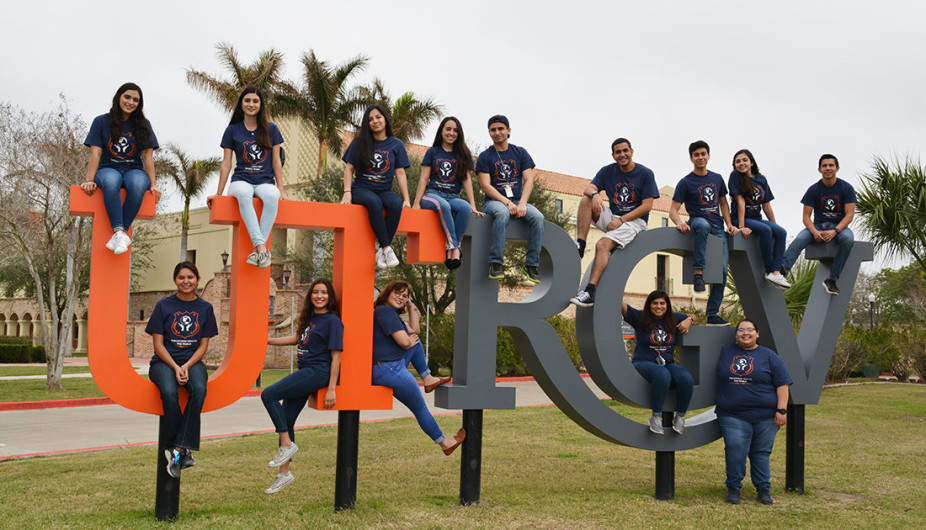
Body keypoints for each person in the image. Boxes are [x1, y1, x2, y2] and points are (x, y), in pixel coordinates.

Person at [260, 278, 343, 494]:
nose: (319, 296)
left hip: (318, 372)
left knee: (268, 395)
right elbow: (297, 339)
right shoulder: (310, 317)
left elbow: (336, 356)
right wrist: (267, 340)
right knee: (286, 421)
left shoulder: (333, 321)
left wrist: (332, 388)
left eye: (324, 292)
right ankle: (284, 474)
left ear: (329, 296)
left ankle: (287, 445)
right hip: (305, 371)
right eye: (315, 292)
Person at [372, 281, 465, 454]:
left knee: (415, 343)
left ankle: (427, 378)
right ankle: (445, 443)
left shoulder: (390, 314)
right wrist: (408, 342)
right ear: (388, 292)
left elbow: (415, 330)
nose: (401, 297)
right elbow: (405, 341)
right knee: (420, 408)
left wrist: (411, 306)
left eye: (405, 296)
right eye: (398, 293)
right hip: (389, 369)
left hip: (390, 366)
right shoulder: (385, 312)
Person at [146, 261, 218, 479]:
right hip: (163, 362)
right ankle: (180, 449)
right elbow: (158, 344)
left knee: (199, 390)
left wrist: (186, 365)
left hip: (192, 362)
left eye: (190, 277)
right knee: (169, 393)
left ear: (197, 279)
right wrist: (175, 366)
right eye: (181, 278)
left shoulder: (205, 308)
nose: (186, 281)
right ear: (175, 280)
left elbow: (203, 345)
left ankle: (177, 449)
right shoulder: (163, 306)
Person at [571, 138, 659, 307]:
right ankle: (580, 244)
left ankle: (590, 291)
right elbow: (588, 189)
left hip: (634, 221)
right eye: (618, 152)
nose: (622, 154)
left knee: (602, 245)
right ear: (613, 155)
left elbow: (647, 206)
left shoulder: (645, 174)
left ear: (632, 152)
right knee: (586, 200)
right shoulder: (607, 171)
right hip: (613, 217)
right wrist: (596, 194)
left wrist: (621, 220)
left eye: (625, 150)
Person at [716, 319, 792, 505]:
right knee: (735, 449)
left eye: (750, 330)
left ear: (757, 333)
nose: (745, 333)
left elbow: (783, 384)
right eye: (741, 330)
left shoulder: (769, 356)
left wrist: (782, 409)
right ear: (736, 334)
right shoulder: (726, 351)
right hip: (733, 415)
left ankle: (763, 489)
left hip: (765, 417)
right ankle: (733, 488)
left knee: (761, 452)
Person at [209, 87, 285, 269]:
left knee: (273, 196)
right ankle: (261, 248)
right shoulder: (232, 130)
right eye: (247, 100)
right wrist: (219, 193)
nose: (251, 104)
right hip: (241, 181)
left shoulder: (272, 129)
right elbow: (226, 163)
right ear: (241, 104)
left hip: (264, 182)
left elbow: (276, 162)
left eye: (255, 101)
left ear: (261, 105)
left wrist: (281, 189)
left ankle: (258, 251)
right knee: (243, 194)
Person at [80, 82, 160, 255]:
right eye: (127, 97)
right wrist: (89, 180)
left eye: (136, 100)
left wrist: (153, 184)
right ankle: (120, 232)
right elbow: (96, 153)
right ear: (118, 97)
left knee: (139, 183)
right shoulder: (101, 121)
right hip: (108, 167)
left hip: (134, 169)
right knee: (111, 180)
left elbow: (147, 157)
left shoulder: (144, 124)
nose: (131, 102)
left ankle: (119, 233)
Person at [669, 140, 738, 326]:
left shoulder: (717, 178)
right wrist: (679, 223)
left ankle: (713, 315)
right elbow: (673, 210)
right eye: (696, 155)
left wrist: (729, 224)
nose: (700, 157)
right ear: (691, 158)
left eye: (703, 154)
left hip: (718, 227)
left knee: (723, 271)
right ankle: (698, 272)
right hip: (697, 223)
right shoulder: (685, 182)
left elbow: (724, 203)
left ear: (708, 156)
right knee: (702, 224)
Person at [476, 115, 545, 283]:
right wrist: (506, 202)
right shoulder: (485, 156)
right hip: (494, 202)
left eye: (500, 129)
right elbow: (485, 186)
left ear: (508, 130)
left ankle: (531, 265)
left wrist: (521, 203)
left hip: (518, 201)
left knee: (538, 217)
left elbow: (529, 180)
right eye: (493, 130)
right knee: (502, 214)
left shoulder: (520, 152)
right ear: (489, 133)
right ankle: (496, 263)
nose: (497, 132)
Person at [341, 105, 411, 269]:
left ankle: (381, 250)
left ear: (385, 119)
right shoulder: (360, 142)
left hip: (384, 190)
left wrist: (407, 199)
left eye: (378, 117)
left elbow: (400, 173)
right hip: (361, 189)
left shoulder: (396, 145)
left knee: (395, 204)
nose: (375, 121)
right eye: (370, 119)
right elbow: (349, 169)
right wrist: (347, 192)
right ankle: (387, 247)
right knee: (374, 202)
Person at [622, 290, 696, 435]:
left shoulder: (674, 318)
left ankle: (680, 417)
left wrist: (689, 321)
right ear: (649, 305)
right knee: (662, 375)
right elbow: (620, 305)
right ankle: (656, 417)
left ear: (667, 305)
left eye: (662, 303)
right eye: (655, 303)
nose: (658, 306)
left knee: (686, 378)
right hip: (643, 362)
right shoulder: (639, 317)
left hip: (667, 363)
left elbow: (694, 316)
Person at [413, 116, 483, 270]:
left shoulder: (463, 154)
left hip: (453, 196)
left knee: (464, 208)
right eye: (448, 129)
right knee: (443, 205)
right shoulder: (433, 152)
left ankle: (454, 247)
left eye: (455, 130)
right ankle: (454, 247)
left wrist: (472, 205)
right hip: (432, 195)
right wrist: (416, 203)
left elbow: (466, 180)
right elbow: (424, 179)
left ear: (459, 134)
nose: (451, 133)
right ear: (441, 131)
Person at [780, 154, 856, 295]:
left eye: (831, 165)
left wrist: (835, 231)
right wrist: (815, 232)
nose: (828, 168)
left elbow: (850, 215)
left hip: (838, 226)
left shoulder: (846, 188)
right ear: (819, 169)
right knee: (800, 239)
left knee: (848, 239)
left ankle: (832, 279)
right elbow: (806, 217)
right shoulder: (813, 190)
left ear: (837, 168)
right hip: (818, 226)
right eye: (824, 166)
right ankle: (782, 270)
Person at [728, 149, 791, 289]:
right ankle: (769, 270)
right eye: (737, 161)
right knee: (765, 230)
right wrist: (742, 226)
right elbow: (740, 201)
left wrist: (775, 226)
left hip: (757, 218)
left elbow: (767, 206)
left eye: (744, 160)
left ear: (751, 162)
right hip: (740, 218)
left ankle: (776, 271)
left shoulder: (761, 179)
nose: (741, 163)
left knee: (781, 232)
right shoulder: (735, 177)